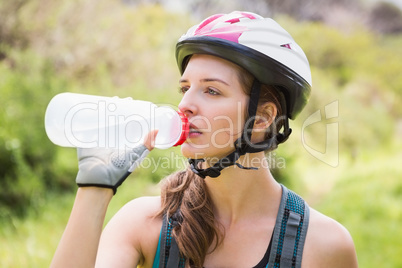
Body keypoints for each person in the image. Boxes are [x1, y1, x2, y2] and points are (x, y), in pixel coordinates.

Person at [50, 11, 358, 268]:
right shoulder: (143, 224)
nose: (184, 105)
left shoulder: (325, 245)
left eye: (211, 90)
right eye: (185, 88)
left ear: (263, 118)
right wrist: (94, 189)